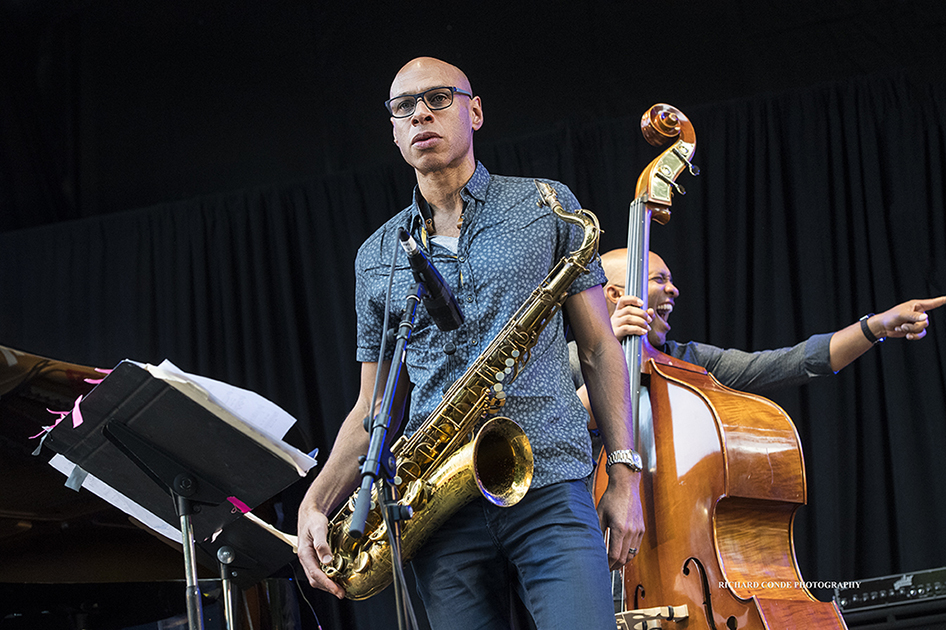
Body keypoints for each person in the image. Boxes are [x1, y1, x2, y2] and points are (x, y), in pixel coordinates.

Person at [296, 57, 643, 629]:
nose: (420, 115)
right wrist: (316, 502)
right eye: (403, 107)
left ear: (475, 111)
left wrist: (625, 476)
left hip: (551, 483)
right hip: (439, 509)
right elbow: (371, 409)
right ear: (393, 131)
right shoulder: (378, 255)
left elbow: (601, 350)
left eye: (437, 98)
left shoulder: (545, 205)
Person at [573, 248, 945, 398]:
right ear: (615, 295)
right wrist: (611, 353)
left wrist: (876, 326)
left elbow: (792, 362)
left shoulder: (690, 361)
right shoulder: (569, 361)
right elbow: (560, 428)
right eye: (659, 280)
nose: (674, 290)